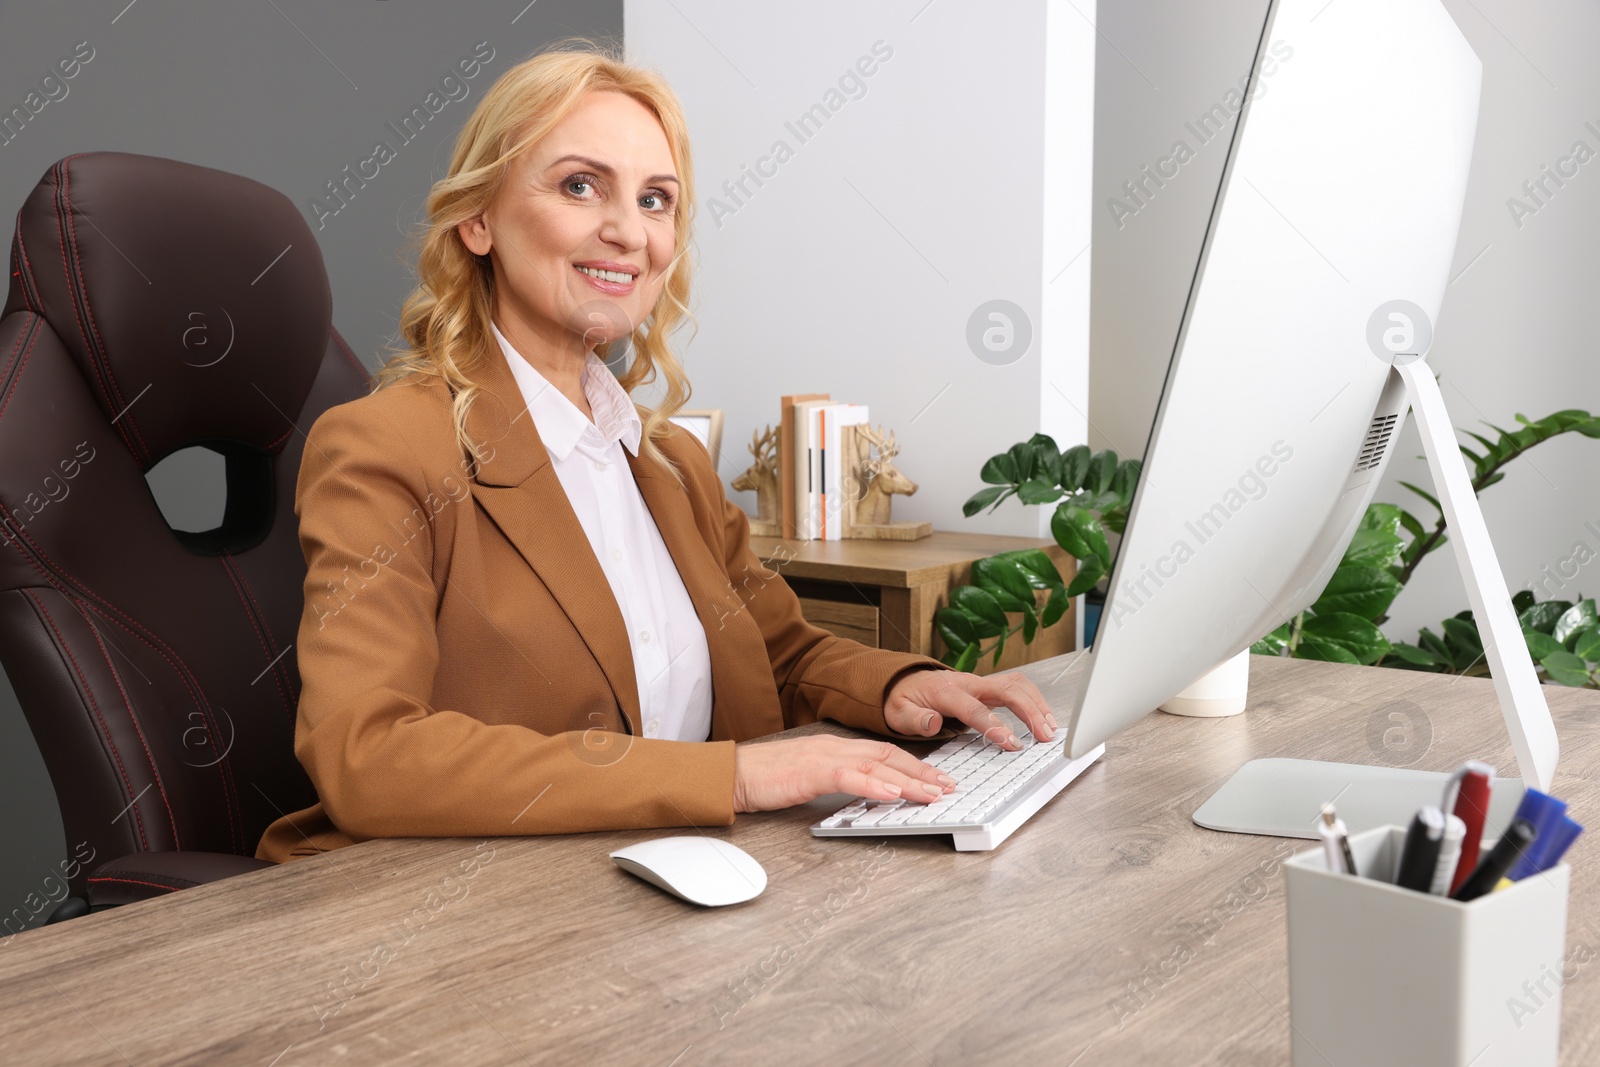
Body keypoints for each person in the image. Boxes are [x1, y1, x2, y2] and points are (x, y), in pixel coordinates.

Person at [255, 42, 1056, 864]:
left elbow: (780, 650)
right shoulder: (386, 446)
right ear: (479, 218)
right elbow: (369, 755)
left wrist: (895, 688)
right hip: (450, 914)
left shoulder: (668, 460)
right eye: (579, 185)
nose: (627, 231)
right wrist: (731, 778)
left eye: (655, 200)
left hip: (654, 885)